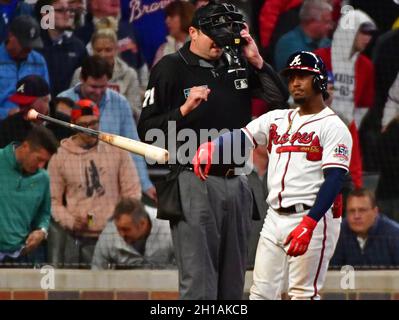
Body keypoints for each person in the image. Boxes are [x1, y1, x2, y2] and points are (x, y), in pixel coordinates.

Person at [138, 1, 289, 299]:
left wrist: (257, 61)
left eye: (225, 36)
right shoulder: (170, 67)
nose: (220, 44)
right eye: (213, 35)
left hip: (239, 180)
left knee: (233, 283)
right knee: (199, 284)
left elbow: (279, 99)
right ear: (192, 32)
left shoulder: (237, 62)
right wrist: (183, 110)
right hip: (193, 180)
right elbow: (148, 131)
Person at [192, 51, 353, 299]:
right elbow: (244, 135)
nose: (295, 82)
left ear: (320, 81)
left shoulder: (333, 126)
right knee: (261, 293)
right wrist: (213, 146)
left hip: (312, 216)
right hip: (274, 216)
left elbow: (335, 179)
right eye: (291, 77)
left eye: (303, 76)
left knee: (303, 293)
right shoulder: (279, 117)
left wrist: (309, 224)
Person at [47, 99, 142, 267]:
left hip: (114, 234)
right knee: (75, 290)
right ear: (73, 124)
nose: (90, 130)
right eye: (84, 125)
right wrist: (69, 220)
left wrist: (120, 221)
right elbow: (52, 201)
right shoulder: (59, 157)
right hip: (76, 237)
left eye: (94, 123)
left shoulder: (116, 150)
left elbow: (132, 193)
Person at [59, 55, 157, 201]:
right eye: (93, 87)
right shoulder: (63, 103)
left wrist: (145, 184)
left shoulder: (120, 103)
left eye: (102, 87)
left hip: (113, 186)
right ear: (82, 79)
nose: (98, 92)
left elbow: (132, 145)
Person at [0, 125, 58, 266]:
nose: (41, 166)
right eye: (39, 159)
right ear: (25, 146)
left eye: (45, 161)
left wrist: (42, 231)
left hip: (21, 256)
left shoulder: (43, 178)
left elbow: (44, 214)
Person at [71, 19, 142, 119]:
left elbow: (137, 113)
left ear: (116, 49)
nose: (103, 55)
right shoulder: (80, 73)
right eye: (98, 50)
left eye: (108, 50)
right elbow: (73, 105)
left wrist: (117, 103)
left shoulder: (129, 74)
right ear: (92, 49)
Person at [92, 198, 175, 270]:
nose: (121, 234)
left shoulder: (168, 226)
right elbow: (96, 272)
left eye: (125, 229)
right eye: (118, 229)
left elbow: (184, 269)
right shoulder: (109, 234)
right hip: (125, 285)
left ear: (142, 223)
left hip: (165, 284)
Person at [331, 188, 399, 268]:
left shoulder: (394, 235)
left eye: (362, 210)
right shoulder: (337, 233)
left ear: (375, 212)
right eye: (352, 211)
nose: (356, 216)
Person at [34, 0, 87, 98]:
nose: (68, 15)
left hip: (68, 106)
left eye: (70, 10)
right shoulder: (33, 46)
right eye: (60, 10)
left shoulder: (78, 47)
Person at [0, 14, 49, 119]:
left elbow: (45, 97)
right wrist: (7, 113)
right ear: (10, 36)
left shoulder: (39, 61)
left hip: (31, 121)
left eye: (32, 45)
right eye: (24, 44)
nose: (29, 49)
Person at [273, 0, 333, 71]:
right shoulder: (288, 44)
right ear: (312, 21)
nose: (330, 27)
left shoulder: (327, 43)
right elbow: (300, 75)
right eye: (326, 22)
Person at [0, 75, 51, 148]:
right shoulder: (7, 127)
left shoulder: (63, 124)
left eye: (28, 104)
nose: (23, 109)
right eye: (21, 104)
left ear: (46, 100)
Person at [152, 0, 195, 67]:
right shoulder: (163, 50)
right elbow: (155, 76)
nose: (167, 21)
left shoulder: (202, 47)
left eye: (171, 16)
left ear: (184, 17)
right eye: (166, 17)